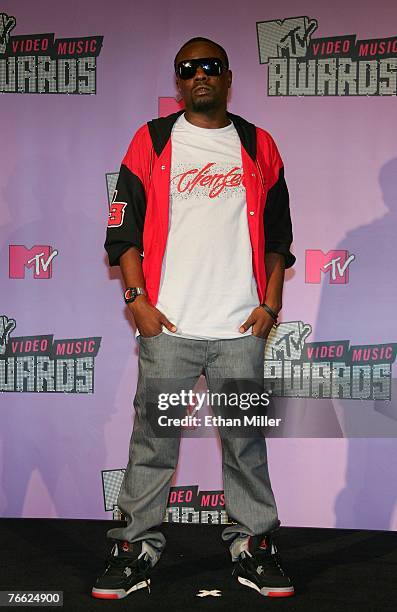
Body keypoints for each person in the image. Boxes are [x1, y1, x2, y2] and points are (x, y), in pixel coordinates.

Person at [92, 36, 296, 600]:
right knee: (152, 444)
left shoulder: (258, 145)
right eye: (187, 69)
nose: (199, 75)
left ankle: (254, 546)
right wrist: (138, 301)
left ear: (228, 77)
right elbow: (122, 230)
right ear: (178, 81)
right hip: (171, 329)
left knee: (245, 445)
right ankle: (134, 551)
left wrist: (270, 305)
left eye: (209, 66)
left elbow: (280, 236)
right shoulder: (153, 140)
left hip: (238, 329)